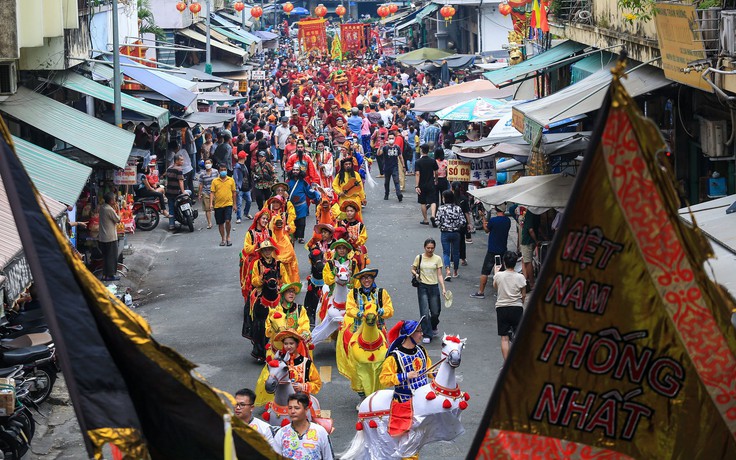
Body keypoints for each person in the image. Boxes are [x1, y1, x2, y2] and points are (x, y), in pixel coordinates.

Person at [379, 319, 431, 437]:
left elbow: (428, 368)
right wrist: (405, 376)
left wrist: (437, 373)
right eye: (419, 331)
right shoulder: (394, 357)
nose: (422, 334)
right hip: (404, 401)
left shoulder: (421, 350)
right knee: (407, 438)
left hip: (423, 398)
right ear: (410, 334)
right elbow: (384, 379)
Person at [271, 393, 334, 459]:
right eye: (290, 408)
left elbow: (328, 457)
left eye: (297, 408)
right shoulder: (281, 433)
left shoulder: (320, 432)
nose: (292, 411)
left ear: (306, 409)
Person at [470, 207, 511, 299]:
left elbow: (486, 229)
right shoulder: (507, 221)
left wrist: (483, 217)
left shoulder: (493, 220)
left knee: (485, 271)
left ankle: (481, 292)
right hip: (503, 249)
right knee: (501, 271)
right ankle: (501, 292)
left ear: (496, 210)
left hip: (492, 250)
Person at [410, 238, 446, 343]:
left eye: (432, 248)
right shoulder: (419, 257)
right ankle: (427, 334)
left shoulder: (437, 259)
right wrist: (416, 274)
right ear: (424, 247)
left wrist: (443, 288)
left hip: (434, 287)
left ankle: (433, 325)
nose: (430, 250)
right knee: (424, 311)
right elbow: (413, 268)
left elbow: (439, 274)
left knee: (435, 312)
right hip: (422, 286)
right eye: (428, 248)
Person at [494, 251, 527, 360]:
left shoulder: (499, 275)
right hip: (516, 308)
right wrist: (521, 301)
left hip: (502, 308)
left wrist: (496, 272)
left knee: (504, 338)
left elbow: (496, 287)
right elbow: (523, 294)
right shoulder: (520, 277)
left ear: (504, 262)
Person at [435, 190, 466, 281]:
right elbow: (463, 221)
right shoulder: (458, 208)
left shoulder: (441, 209)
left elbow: (437, 221)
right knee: (456, 252)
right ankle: (455, 271)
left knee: (446, 253)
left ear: (445, 198)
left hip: (445, 233)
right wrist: (457, 226)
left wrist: (442, 226)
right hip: (456, 233)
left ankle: (447, 270)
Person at [287, 163, 321, 245]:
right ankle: (294, 235)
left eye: (297, 170)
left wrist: (317, 195)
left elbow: (309, 191)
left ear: (300, 171)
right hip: (291, 206)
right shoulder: (288, 182)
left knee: (302, 222)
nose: (295, 171)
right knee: (293, 221)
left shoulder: (304, 182)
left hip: (301, 206)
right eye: (294, 170)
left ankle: (301, 237)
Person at [210, 163, 237, 246]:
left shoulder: (231, 180)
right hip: (218, 205)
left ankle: (228, 236)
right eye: (221, 170)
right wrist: (211, 204)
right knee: (220, 223)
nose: (223, 171)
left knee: (228, 221)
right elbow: (212, 193)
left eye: (224, 170)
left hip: (228, 203)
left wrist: (234, 204)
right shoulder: (215, 181)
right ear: (219, 171)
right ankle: (223, 238)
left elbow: (234, 193)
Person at [98, 192, 121, 281]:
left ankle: (105, 274)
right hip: (110, 237)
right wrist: (118, 209)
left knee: (106, 256)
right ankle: (110, 275)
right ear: (111, 201)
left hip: (103, 237)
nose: (115, 201)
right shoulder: (109, 209)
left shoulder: (103, 207)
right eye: (114, 199)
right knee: (111, 257)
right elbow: (118, 219)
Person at [414, 144, 438, 226]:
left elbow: (417, 174)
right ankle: (433, 215)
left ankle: (425, 219)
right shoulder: (432, 161)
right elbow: (436, 171)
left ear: (421, 151)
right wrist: (436, 180)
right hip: (431, 183)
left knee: (423, 202)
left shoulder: (418, 162)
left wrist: (417, 186)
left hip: (422, 184)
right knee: (433, 201)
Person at [520, 209, 541, 289]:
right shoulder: (537, 212)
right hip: (531, 240)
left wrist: (536, 241)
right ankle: (528, 280)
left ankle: (532, 283)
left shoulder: (530, 213)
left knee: (527, 261)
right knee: (526, 260)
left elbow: (531, 229)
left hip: (527, 241)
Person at [165, 153, 186, 230]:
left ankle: (171, 225)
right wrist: (183, 192)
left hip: (169, 192)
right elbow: (181, 182)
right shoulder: (179, 169)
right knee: (189, 192)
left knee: (171, 208)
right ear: (176, 161)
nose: (182, 161)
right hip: (177, 192)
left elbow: (167, 181)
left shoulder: (169, 168)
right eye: (181, 160)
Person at [381, 133, 403, 202]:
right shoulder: (385, 148)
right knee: (386, 182)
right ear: (387, 139)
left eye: (392, 138)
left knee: (396, 181)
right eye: (390, 138)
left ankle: (399, 194)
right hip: (387, 167)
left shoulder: (397, 147)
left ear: (394, 139)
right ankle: (386, 194)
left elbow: (401, 157)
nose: (391, 140)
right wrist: (380, 147)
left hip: (394, 167)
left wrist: (404, 166)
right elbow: (379, 153)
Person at [197, 159, 218, 229]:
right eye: (206, 163)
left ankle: (218, 220)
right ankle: (209, 223)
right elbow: (201, 184)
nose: (207, 165)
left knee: (216, 207)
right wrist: (199, 194)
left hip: (215, 192)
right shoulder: (202, 174)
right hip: (206, 192)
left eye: (208, 163)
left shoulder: (216, 172)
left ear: (211, 163)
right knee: (207, 209)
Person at [233, 152, 253, 224]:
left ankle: (246, 213)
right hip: (240, 188)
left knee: (249, 201)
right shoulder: (237, 167)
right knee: (239, 203)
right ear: (244, 157)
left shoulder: (244, 165)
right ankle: (238, 217)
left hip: (246, 187)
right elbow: (235, 178)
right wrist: (237, 187)